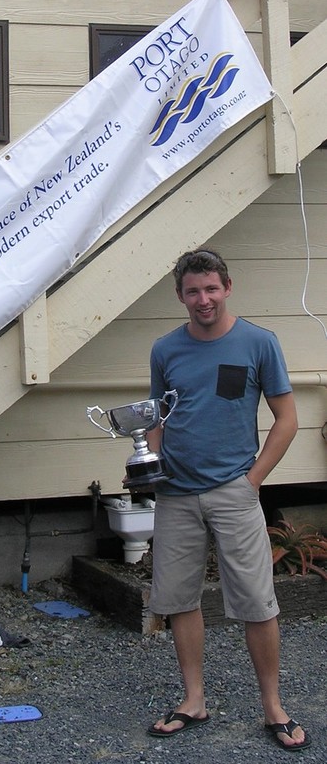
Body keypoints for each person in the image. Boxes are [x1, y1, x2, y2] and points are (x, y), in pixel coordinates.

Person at [145, 247, 310, 752]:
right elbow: (155, 419)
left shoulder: (259, 343)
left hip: (235, 492)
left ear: (227, 287)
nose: (203, 299)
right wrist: (149, 463)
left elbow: (287, 418)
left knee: (257, 603)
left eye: (211, 289)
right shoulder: (165, 350)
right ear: (180, 296)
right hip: (176, 496)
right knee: (178, 600)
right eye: (192, 291)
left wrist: (253, 480)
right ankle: (193, 699)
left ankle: (274, 708)